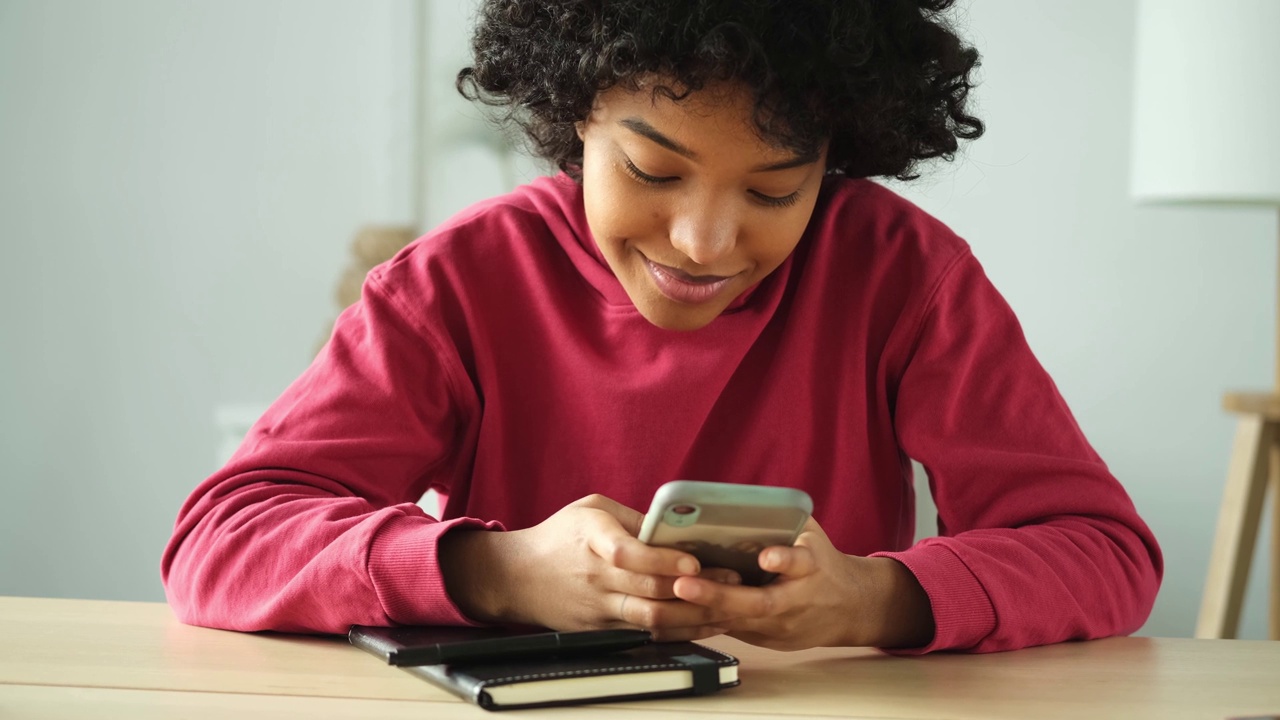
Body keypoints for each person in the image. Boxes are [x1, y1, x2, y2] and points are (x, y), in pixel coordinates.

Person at [162, 0, 1162, 653]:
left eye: (775, 190)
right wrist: (496, 571)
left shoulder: (902, 276)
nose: (702, 241)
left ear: (833, 160)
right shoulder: (456, 284)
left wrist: (870, 598)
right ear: (574, 116)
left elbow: (1103, 552)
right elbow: (218, 541)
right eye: (651, 172)